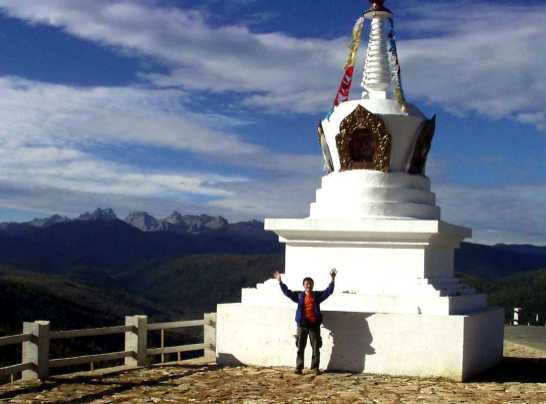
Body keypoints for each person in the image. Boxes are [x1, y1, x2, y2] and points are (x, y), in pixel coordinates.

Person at [273, 269, 337, 375]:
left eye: (310, 284)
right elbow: (287, 292)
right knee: (300, 347)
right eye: (307, 284)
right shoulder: (299, 296)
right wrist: (280, 281)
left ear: (313, 285)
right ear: (304, 285)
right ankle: (299, 367)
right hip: (302, 325)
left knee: (316, 347)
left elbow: (328, 292)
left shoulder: (317, 296)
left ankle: (315, 367)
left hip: (314, 325)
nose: (308, 285)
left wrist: (333, 279)